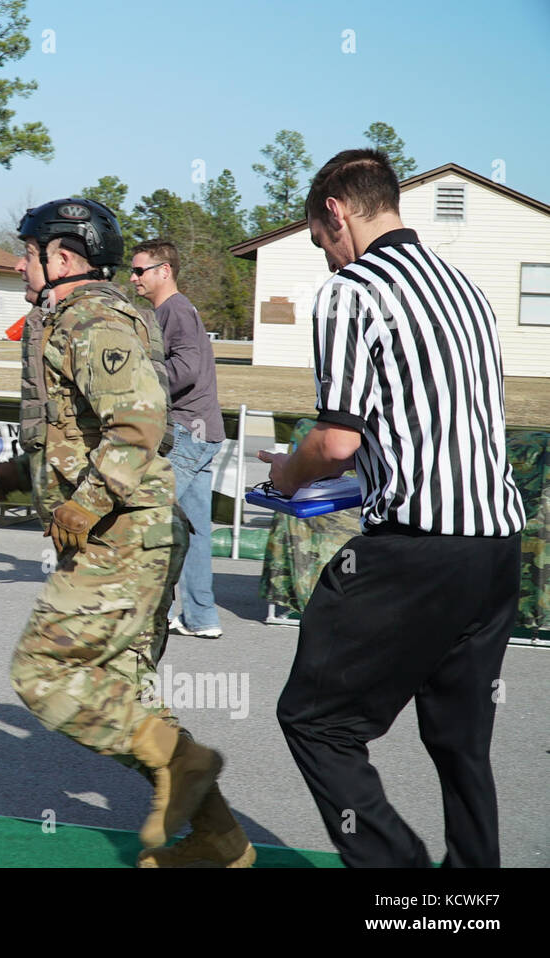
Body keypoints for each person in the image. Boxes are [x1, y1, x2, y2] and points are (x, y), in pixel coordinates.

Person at [259, 149, 526, 867]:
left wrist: (288, 476)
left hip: (417, 547)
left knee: (316, 720)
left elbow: (339, 440)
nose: (326, 260)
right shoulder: (465, 287)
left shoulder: (353, 291)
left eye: (322, 243)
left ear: (336, 213)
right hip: (497, 541)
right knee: (460, 740)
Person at [0, 198, 254, 868]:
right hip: (129, 527)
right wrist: (23, 473)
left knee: (41, 670)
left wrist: (83, 504)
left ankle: (185, 762)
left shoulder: (93, 315)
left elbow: (138, 421)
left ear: (63, 258)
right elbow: (84, 428)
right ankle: (221, 841)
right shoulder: (67, 317)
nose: (20, 265)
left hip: (124, 532)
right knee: (124, 701)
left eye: (29, 252)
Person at [130, 239, 226, 638]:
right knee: (193, 531)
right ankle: (201, 618)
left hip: (188, 433)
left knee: (145, 520)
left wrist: (134, 378)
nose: (133, 277)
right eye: (132, 270)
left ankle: (134, 616)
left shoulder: (175, 311)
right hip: (205, 432)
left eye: (140, 271)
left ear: (164, 271)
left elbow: (183, 369)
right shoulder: (173, 310)